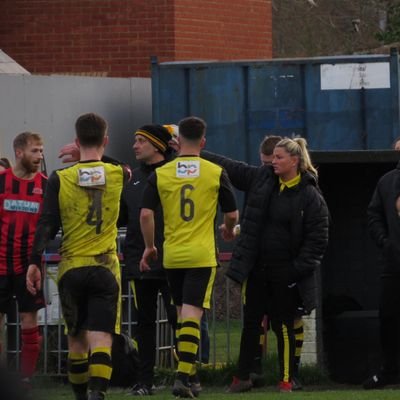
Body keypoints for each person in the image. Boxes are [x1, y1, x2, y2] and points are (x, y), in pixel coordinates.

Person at [202, 137, 329, 393]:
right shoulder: (263, 180)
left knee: (283, 326)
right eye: (273, 158)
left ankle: (286, 379)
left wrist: (294, 271)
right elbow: (230, 166)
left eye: (279, 158)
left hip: (285, 272)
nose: (273, 162)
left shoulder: (309, 195)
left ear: (295, 161)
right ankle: (242, 376)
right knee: (251, 323)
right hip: (257, 269)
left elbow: (317, 240)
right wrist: (194, 152)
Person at [26, 113, 131, 400]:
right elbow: (125, 206)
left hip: (71, 268)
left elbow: (46, 223)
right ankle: (98, 394)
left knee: (76, 342)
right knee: (101, 340)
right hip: (105, 267)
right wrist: (100, 155)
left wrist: (35, 262)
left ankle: (81, 397)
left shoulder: (59, 179)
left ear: (76, 141)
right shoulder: (118, 173)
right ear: (105, 140)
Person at [140, 116, 239, 398]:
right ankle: (182, 376)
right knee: (192, 316)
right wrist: (228, 229)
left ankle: (192, 378)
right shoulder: (215, 172)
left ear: (178, 141)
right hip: (201, 254)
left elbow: (146, 214)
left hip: (172, 255)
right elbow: (231, 213)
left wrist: (150, 247)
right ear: (203, 142)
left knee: (183, 316)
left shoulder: (160, 174)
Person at [119, 124, 177, 396]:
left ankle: (188, 375)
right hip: (139, 263)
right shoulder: (131, 180)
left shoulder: (176, 172)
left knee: (180, 321)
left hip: (174, 260)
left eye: (141, 141)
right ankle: (144, 381)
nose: (135, 146)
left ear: (157, 146)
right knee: (144, 324)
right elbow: (123, 217)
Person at [0, 132, 46, 389]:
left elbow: (48, 224)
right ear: (19, 152)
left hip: (29, 267)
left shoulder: (46, 185)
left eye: (41, 151)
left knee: (30, 321)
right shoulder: (1, 182)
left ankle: (26, 380)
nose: (39, 157)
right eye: (34, 151)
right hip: (0, 265)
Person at [363, 159, 400, 389]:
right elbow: (373, 216)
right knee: (389, 320)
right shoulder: (387, 182)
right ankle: (390, 371)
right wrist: (386, 244)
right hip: (393, 265)